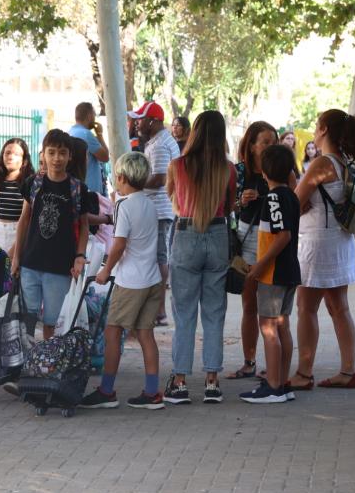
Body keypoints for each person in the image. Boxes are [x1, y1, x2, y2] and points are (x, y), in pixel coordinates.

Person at [79, 152, 165, 410]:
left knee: (112, 332)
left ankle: (106, 391)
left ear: (122, 177)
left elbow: (119, 244)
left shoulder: (124, 206)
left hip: (131, 281)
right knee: (145, 334)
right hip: (152, 278)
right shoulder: (150, 204)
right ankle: (152, 392)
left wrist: (106, 271)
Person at [164, 110, 237, 404]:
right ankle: (211, 381)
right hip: (218, 234)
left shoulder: (177, 165)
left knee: (184, 313)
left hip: (186, 234)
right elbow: (230, 205)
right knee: (214, 312)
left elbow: (174, 200)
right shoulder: (228, 169)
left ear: (193, 132)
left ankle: (180, 381)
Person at [287, 109, 355, 391]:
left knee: (306, 307)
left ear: (325, 130)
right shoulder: (343, 162)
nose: (314, 131)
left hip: (318, 243)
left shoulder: (321, 163)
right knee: (339, 307)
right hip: (339, 241)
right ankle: (348, 370)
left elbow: (296, 201)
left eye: (317, 126)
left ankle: (304, 374)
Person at [11, 129, 90, 340]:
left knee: (53, 322)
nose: (57, 158)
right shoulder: (33, 184)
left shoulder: (78, 188)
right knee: (27, 318)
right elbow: (24, 221)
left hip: (60, 266)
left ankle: (50, 362)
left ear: (70, 156)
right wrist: (17, 257)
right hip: (30, 263)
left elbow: (84, 226)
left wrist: (80, 256)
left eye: (62, 153)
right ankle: (26, 360)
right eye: (52, 152)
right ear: (43, 154)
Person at [239, 145, 301, 404]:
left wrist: (260, 265)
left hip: (274, 273)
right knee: (282, 326)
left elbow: (282, 236)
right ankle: (283, 382)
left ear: (264, 170)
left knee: (269, 327)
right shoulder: (291, 196)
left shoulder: (274, 199)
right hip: (289, 272)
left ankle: (274, 385)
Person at [224, 121, 278, 381]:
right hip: (246, 241)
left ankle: (273, 364)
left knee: (272, 308)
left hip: (273, 242)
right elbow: (225, 207)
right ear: (252, 145)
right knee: (249, 305)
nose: (270, 147)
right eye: (265, 142)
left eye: (273, 142)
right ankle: (249, 362)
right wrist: (239, 201)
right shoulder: (239, 171)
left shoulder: (280, 169)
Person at [128, 101, 180, 327]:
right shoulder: (158, 141)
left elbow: (159, 179)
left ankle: (159, 311)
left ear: (154, 121)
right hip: (159, 209)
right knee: (158, 256)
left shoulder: (159, 145)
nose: (138, 123)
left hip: (159, 210)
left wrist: (134, 185)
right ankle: (155, 309)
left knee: (159, 257)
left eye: (141, 119)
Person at [0, 138, 35, 256]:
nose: (10, 157)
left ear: (24, 160)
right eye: (7, 153)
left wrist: (15, 249)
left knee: (13, 272)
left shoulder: (29, 182)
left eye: (16, 154)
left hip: (17, 232)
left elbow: (30, 219)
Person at [69, 102, 110, 195]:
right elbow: (105, 157)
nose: (95, 118)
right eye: (94, 115)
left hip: (78, 187)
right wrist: (99, 134)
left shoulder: (71, 132)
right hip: (91, 189)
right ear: (89, 116)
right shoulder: (86, 134)